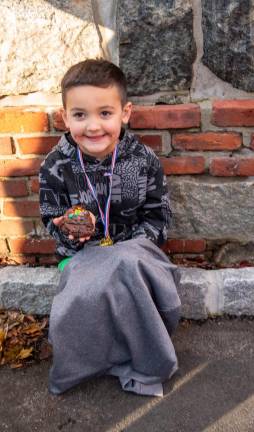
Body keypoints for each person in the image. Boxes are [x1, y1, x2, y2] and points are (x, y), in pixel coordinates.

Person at [39, 58, 181, 397]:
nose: (93, 126)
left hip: (136, 256)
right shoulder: (55, 165)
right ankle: (94, 360)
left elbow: (158, 216)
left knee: (127, 268)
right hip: (82, 257)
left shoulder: (144, 160)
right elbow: (51, 217)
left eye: (105, 113)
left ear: (125, 112)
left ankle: (146, 361)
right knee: (79, 299)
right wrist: (66, 229)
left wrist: (124, 253)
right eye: (80, 115)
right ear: (65, 117)